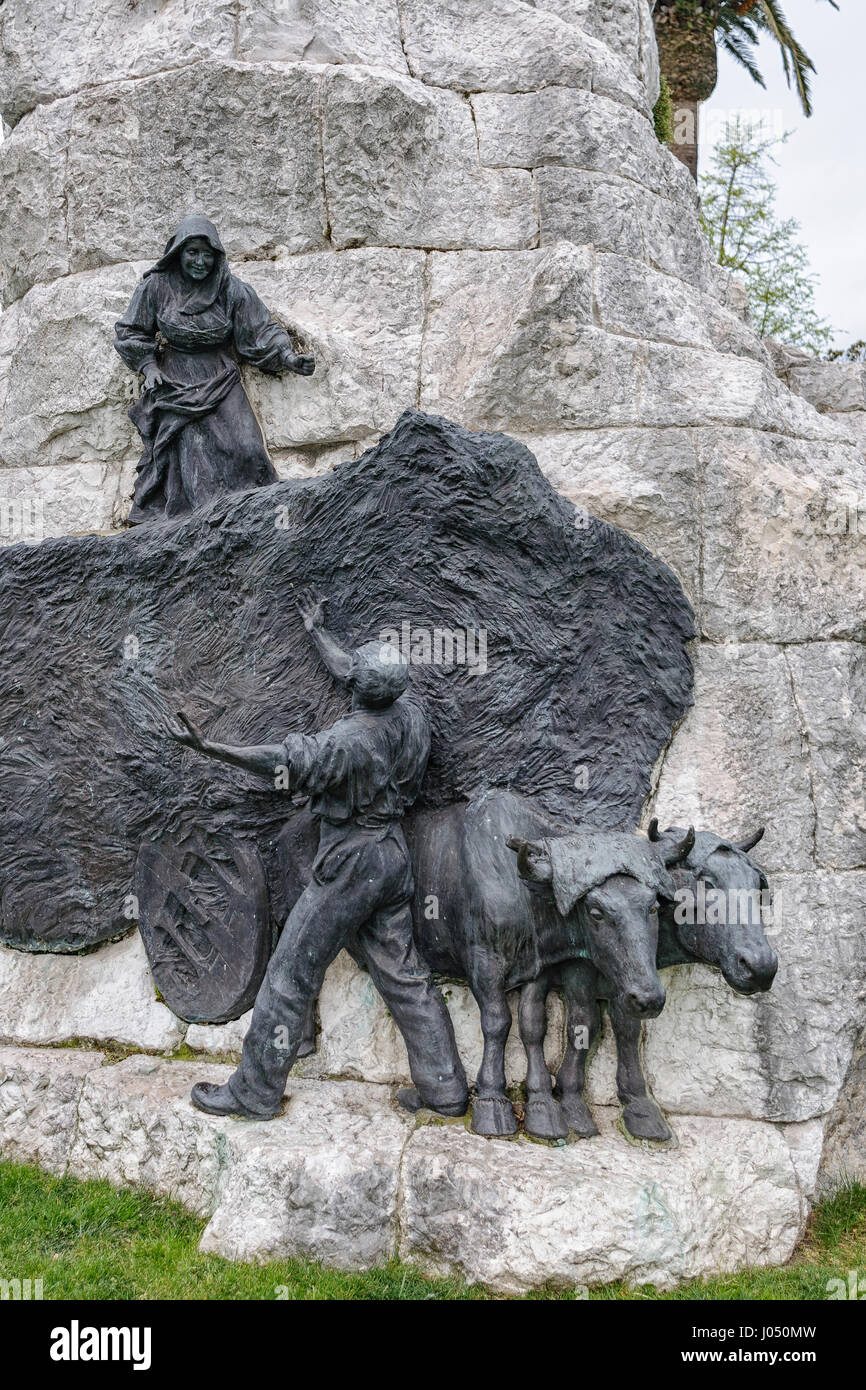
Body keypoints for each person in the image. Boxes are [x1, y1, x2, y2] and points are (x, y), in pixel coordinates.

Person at [164, 589, 469, 1121]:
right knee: (404, 975)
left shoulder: (345, 743)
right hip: (392, 857)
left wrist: (210, 748)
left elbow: (282, 760)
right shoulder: (411, 715)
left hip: (349, 862)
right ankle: (445, 1089)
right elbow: (355, 671)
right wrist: (317, 632)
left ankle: (255, 1091)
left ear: (361, 690)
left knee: (289, 972)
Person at [114, 214, 314, 523]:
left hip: (221, 375)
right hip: (176, 383)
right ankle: (203, 529)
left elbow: (260, 330)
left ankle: (261, 518)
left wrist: (287, 357)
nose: (200, 261)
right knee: (195, 460)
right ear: (178, 252)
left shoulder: (232, 290)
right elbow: (130, 332)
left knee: (248, 446)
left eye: (207, 254)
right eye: (192, 252)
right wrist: (148, 366)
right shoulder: (155, 287)